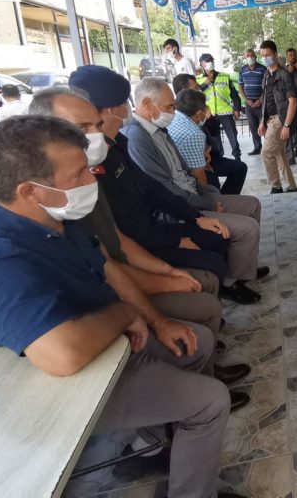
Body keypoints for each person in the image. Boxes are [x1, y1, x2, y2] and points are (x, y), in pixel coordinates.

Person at [0, 115, 246, 498]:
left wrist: (156, 320)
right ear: (30, 191)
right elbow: (64, 355)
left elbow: (108, 268)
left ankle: (155, 444)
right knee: (210, 402)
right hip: (55, 393)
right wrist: (126, 315)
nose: (92, 179)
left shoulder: (59, 219)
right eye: (79, 174)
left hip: (108, 349)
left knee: (195, 341)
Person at [31, 86, 253, 394]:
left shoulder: (107, 156)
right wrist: (155, 295)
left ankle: (206, 357)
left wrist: (172, 263)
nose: (95, 135)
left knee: (209, 264)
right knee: (205, 279)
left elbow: (118, 241)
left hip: (137, 259)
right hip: (110, 317)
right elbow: (109, 267)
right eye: (83, 127)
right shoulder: (36, 224)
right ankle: (199, 373)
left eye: (96, 125)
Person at [67, 66, 253, 301]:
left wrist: (196, 217)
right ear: (107, 110)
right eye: (123, 104)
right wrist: (176, 240)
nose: (127, 110)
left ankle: (219, 291)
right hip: (137, 243)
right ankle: (211, 301)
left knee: (215, 238)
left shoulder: (116, 144)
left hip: (152, 229)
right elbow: (122, 230)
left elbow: (152, 188)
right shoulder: (90, 161)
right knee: (212, 261)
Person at [122, 77, 268, 304]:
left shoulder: (159, 130)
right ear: (148, 105)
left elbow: (186, 171)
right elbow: (165, 189)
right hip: (182, 208)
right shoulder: (137, 139)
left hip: (194, 196)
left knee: (252, 205)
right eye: (169, 106)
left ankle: (243, 268)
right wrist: (208, 204)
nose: (173, 112)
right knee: (247, 229)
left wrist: (207, 194)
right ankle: (232, 283)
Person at [257, 39, 297, 194]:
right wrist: (262, 121)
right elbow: (265, 100)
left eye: (267, 55)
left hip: (280, 119)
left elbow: (293, 101)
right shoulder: (266, 75)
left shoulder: (284, 75)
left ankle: (276, 186)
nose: (265, 58)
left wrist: (286, 125)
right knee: (279, 153)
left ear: (275, 55)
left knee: (266, 153)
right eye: (262, 55)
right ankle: (292, 186)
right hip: (270, 120)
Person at [198, 53, 242, 162]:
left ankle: (237, 157)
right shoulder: (198, 79)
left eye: (211, 60)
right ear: (202, 64)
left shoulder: (224, 76)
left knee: (232, 136)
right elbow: (195, 94)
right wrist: (205, 84)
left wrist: (236, 109)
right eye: (207, 61)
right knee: (215, 138)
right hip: (209, 114)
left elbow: (234, 95)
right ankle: (219, 158)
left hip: (225, 111)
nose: (210, 63)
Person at [238, 48, 268, 155]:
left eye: (252, 56)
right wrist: (247, 100)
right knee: (253, 126)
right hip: (249, 103)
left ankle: (269, 147)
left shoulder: (263, 69)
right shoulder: (242, 69)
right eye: (247, 56)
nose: (250, 58)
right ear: (245, 57)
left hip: (261, 103)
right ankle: (257, 147)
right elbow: (240, 87)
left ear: (255, 57)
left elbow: (267, 86)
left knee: (264, 124)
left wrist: (260, 99)